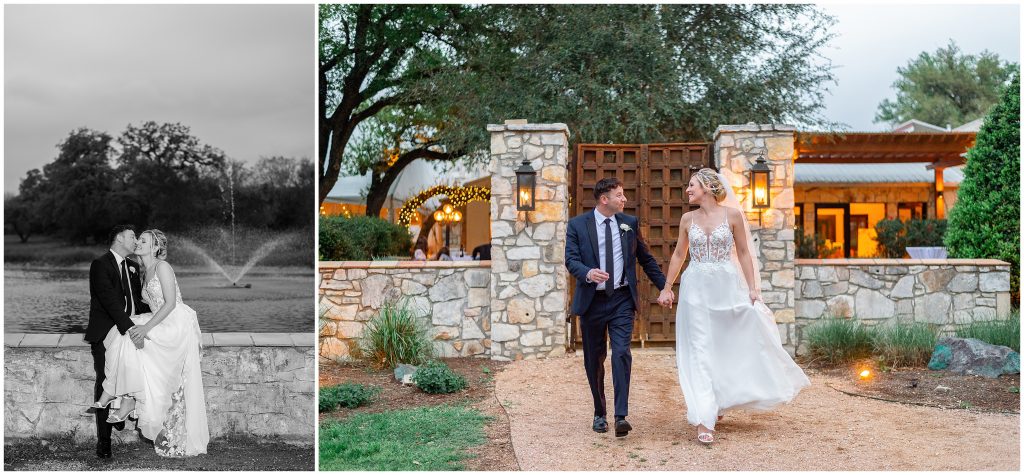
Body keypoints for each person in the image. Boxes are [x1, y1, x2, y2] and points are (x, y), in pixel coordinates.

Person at [657, 168, 810, 445]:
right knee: (700, 348)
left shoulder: (733, 216)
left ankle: (720, 399)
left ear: (706, 188)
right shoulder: (686, 219)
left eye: (692, 185)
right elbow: (680, 253)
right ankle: (704, 417)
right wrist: (668, 287)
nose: (688, 190)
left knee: (726, 345)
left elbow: (743, 252)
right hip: (695, 289)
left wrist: (753, 288)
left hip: (726, 287)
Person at [564, 177, 668, 437]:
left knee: (621, 352)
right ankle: (600, 413)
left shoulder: (629, 224)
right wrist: (588, 273)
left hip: (621, 299)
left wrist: (665, 287)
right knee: (594, 359)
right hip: (592, 302)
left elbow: (645, 259)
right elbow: (570, 260)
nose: (624, 200)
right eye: (620, 195)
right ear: (604, 199)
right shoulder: (578, 225)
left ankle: (621, 416)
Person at [92, 229, 210, 456]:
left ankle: (123, 398)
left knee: (132, 333)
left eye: (143, 240)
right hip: (160, 320)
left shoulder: (162, 267)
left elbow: (170, 304)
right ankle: (128, 398)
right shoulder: (141, 270)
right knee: (125, 334)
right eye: (137, 239)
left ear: (155, 247)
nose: (138, 243)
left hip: (175, 322)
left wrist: (145, 328)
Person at [85, 225, 151, 459]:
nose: (135, 240)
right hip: (107, 333)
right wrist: (132, 330)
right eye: (133, 236)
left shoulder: (133, 266)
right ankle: (104, 444)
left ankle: (123, 406)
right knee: (105, 382)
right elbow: (111, 303)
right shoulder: (100, 265)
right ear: (120, 238)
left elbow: (138, 303)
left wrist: (156, 318)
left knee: (138, 370)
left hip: (129, 329)